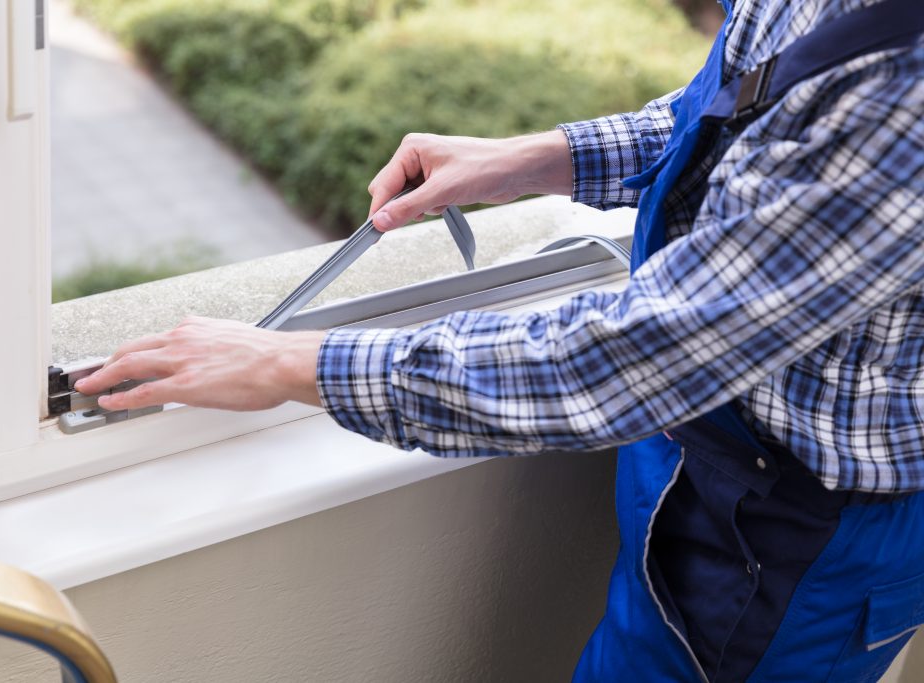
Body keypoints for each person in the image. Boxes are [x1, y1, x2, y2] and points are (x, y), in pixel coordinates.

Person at [76, 0, 924, 679]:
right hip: (704, 460)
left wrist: (297, 362)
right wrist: (530, 159)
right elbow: (754, 120)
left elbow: (632, 357)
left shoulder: (907, 101)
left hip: (797, 546)